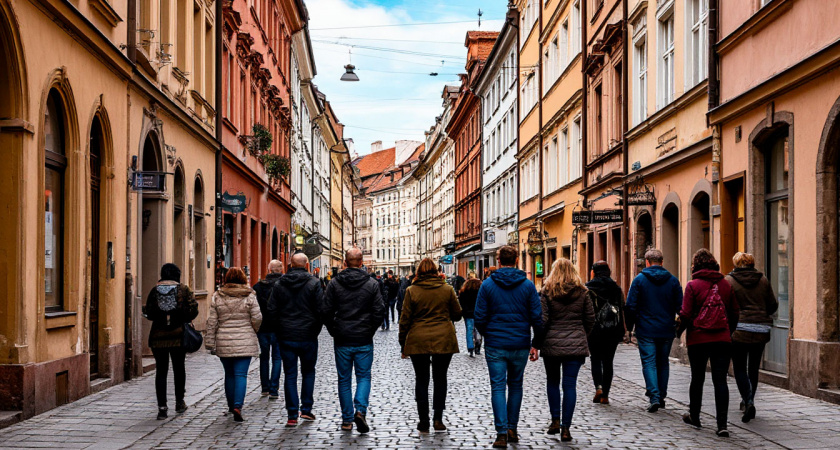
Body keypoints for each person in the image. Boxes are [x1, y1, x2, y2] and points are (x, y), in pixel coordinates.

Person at [474, 245, 543, 449]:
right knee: (515, 385)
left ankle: (501, 433)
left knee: (497, 386)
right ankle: (512, 428)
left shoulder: (487, 285)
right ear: (516, 261)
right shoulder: (528, 285)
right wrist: (536, 343)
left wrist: (489, 334)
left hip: (496, 343)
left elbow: (479, 316)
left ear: (498, 261)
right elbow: (537, 316)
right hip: (520, 342)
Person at [321, 248, 386, 433]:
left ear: (345, 262)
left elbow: (326, 310)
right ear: (361, 262)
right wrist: (370, 329)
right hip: (363, 338)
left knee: (344, 379)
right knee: (364, 376)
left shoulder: (334, 283)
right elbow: (379, 310)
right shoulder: (372, 284)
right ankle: (360, 410)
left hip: (342, 338)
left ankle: (347, 420)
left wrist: (334, 330)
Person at [678, 249, 739, 437]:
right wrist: (728, 331)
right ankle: (722, 424)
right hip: (722, 339)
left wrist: (678, 332)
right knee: (720, 380)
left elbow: (686, 313)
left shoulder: (692, 285)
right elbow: (735, 312)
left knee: (697, 378)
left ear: (695, 265)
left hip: (698, 339)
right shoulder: (725, 284)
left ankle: (695, 416)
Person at [399, 258, 463, 432]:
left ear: (418, 272)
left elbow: (405, 319)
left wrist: (403, 343)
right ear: (436, 271)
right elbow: (457, 315)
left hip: (418, 339)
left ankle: (423, 420)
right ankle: (438, 419)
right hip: (443, 339)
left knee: (421, 379)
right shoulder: (447, 289)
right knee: (440, 378)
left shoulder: (411, 290)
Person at [538, 258, 595, 442]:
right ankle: (566, 428)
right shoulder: (582, 292)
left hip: (552, 344)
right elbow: (590, 318)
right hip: (575, 345)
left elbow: (543, 320)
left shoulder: (547, 291)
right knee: (570, 385)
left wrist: (539, 341)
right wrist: (581, 335)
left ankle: (555, 420)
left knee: (553, 382)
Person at [267, 253, 324, 427]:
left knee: (290, 374)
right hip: (308, 335)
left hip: (286, 335)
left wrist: (279, 330)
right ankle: (306, 409)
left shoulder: (279, 284)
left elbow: (271, 310)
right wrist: (315, 329)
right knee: (308, 372)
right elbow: (321, 310)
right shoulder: (314, 283)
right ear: (306, 265)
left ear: (290, 265)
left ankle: (292, 414)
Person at [625, 248, 683, 413]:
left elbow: (630, 306)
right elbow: (681, 307)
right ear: (662, 262)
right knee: (663, 362)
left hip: (646, 329)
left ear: (647, 262)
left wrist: (630, 327)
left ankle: (654, 396)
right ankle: (661, 395)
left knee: (649, 362)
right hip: (666, 328)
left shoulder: (639, 280)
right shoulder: (673, 281)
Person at [725, 252, 778, 423]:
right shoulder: (763, 280)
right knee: (753, 368)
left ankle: (747, 401)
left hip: (739, 329)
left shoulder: (729, 281)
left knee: (739, 367)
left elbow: (726, 306)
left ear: (736, 263)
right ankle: (749, 400)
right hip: (760, 329)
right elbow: (772, 305)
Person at [206, 267, 262, 422]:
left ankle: (231, 406)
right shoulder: (250, 295)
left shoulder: (218, 296)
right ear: (243, 279)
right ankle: (238, 406)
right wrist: (253, 329)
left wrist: (210, 341)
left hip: (224, 339)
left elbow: (212, 321)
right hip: (245, 339)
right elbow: (257, 317)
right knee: (241, 374)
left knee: (229, 374)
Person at [144, 263, 198, 420]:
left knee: (161, 371)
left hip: (158, 337)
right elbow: (193, 309)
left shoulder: (154, 290)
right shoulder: (183, 289)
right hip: (178, 336)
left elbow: (149, 312)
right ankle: (180, 402)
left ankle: (162, 408)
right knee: (179, 369)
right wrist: (182, 318)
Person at [586, 261, 626, 405]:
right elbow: (622, 307)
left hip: (594, 329)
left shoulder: (588, 288)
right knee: (608, 361)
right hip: (612, 330)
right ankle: (605, 396)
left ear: (593, 272)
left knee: (595, 359)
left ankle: (598, 387)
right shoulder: (615, 288)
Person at [252, 260, 284, 399]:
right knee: (277, 358)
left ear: (269, 270)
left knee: (264, 357)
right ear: (281, 270)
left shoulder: (258, 286)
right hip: (278, 327)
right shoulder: (284, 285)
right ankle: (273, 389)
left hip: (263, 327)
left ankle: (265, 387)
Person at [459, 278, 481, 357]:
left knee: (469, 331)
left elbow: (461, 303)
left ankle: (470, 347)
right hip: (478, 314)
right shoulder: (480, 292)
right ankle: (478, 344)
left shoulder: (463, 292)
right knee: (478, 330)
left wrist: (464, 311)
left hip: (468, 314)